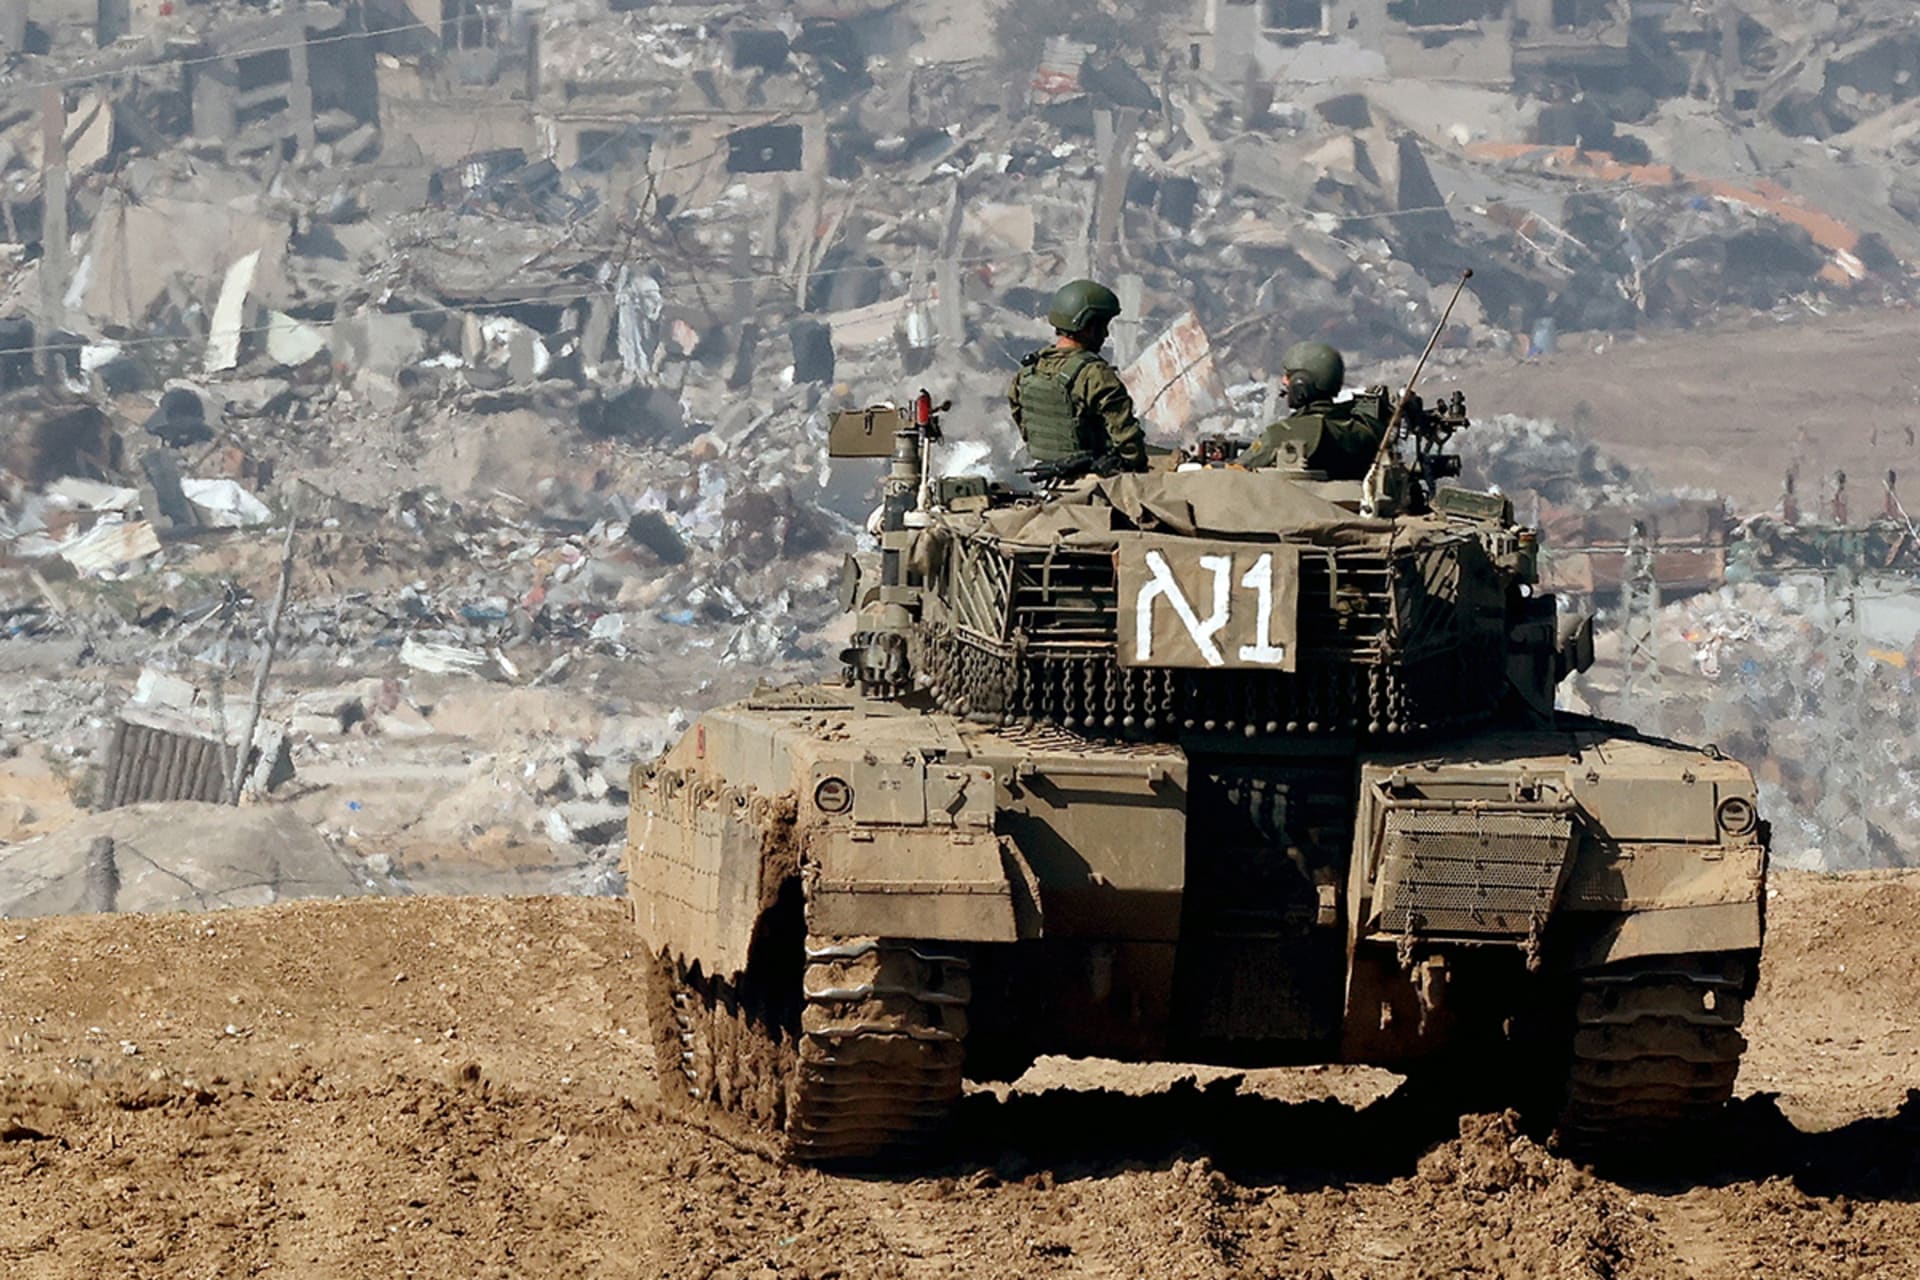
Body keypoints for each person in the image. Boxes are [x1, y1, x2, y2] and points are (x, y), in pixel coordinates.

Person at [1008, 279, 1148, 472]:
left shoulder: (1028, 372)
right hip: (1096, 479)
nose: (1105, 334)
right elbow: (1127, 439)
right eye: (1101, 326)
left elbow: (1023, 422)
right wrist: (1136, 466)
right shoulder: (1094, 375)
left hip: (1051, 474)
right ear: (1088, 327)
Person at [1239, 341, 1385, 479]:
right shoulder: (1365, 430)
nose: (1284, 381)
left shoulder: (1284, 433)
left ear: (1301, 384)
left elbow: (1236, 471)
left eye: (1289, 377)